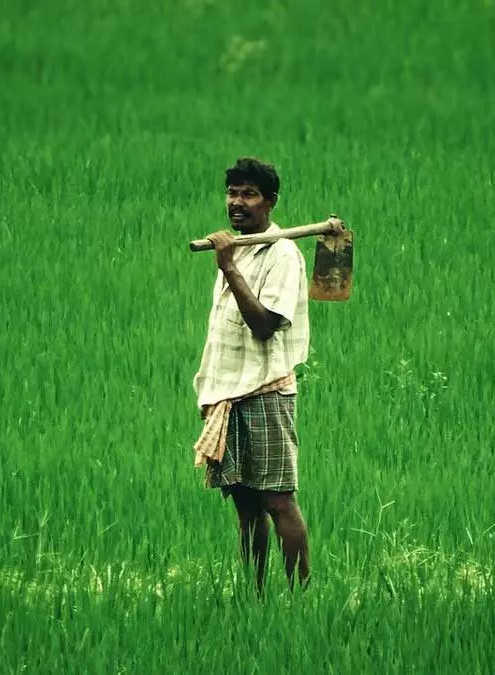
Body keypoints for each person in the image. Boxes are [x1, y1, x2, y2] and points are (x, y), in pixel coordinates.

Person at [191, 156, 312, 595]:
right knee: (244, 504)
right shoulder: (238, 248)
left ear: (270, 202)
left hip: (264, 393)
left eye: (249, 194)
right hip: (228, 392)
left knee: (277, 499)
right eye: (232, 193)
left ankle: (301, 598)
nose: (237, 202)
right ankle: (252, 595)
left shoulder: (282, 255)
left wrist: (228, 266)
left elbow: (263, 325)